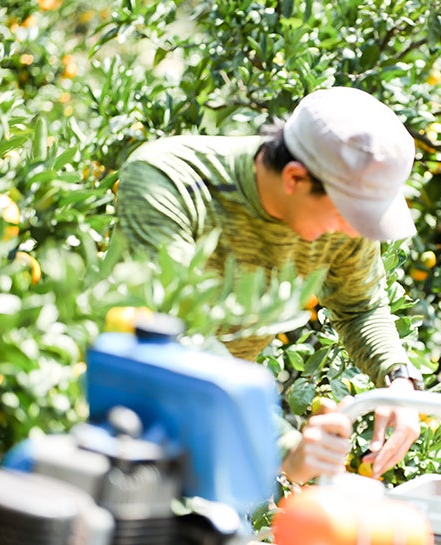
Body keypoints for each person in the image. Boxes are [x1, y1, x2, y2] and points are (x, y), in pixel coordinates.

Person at [113, 86, 424, 481]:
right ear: (295, 177)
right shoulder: (170, 181)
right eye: (349, 213)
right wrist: (281, 445)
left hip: (213, 425)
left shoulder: (341, 207)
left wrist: (397, 380)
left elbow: (359, 305)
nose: (354, 230)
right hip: (119, 404)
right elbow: (177, 334)